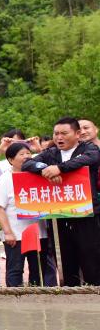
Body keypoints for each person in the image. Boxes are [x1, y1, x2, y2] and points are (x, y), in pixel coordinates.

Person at [21, 116, 100, 286]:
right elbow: (27, 164)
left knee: (91, 258)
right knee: (65, 260)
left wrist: (59, 169)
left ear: (77, 133)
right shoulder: (51, 153)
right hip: (59, 215)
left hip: (86, 214)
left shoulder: (89, 148)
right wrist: (44, 170)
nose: (59, 137)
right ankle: (69, 296)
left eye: (64, 133)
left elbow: (90, 159)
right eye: (56, 133)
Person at [0, 143, 45, 286]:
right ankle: (14, 303)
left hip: (39, 233)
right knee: (15, 270)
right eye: (21, 154)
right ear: (10, 160)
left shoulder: (39, 175)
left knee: (38, 271)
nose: (26, 157)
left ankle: (38, 302)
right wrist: (8, 232)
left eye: (28, 153)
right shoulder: (5, 179)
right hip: (16, 234)